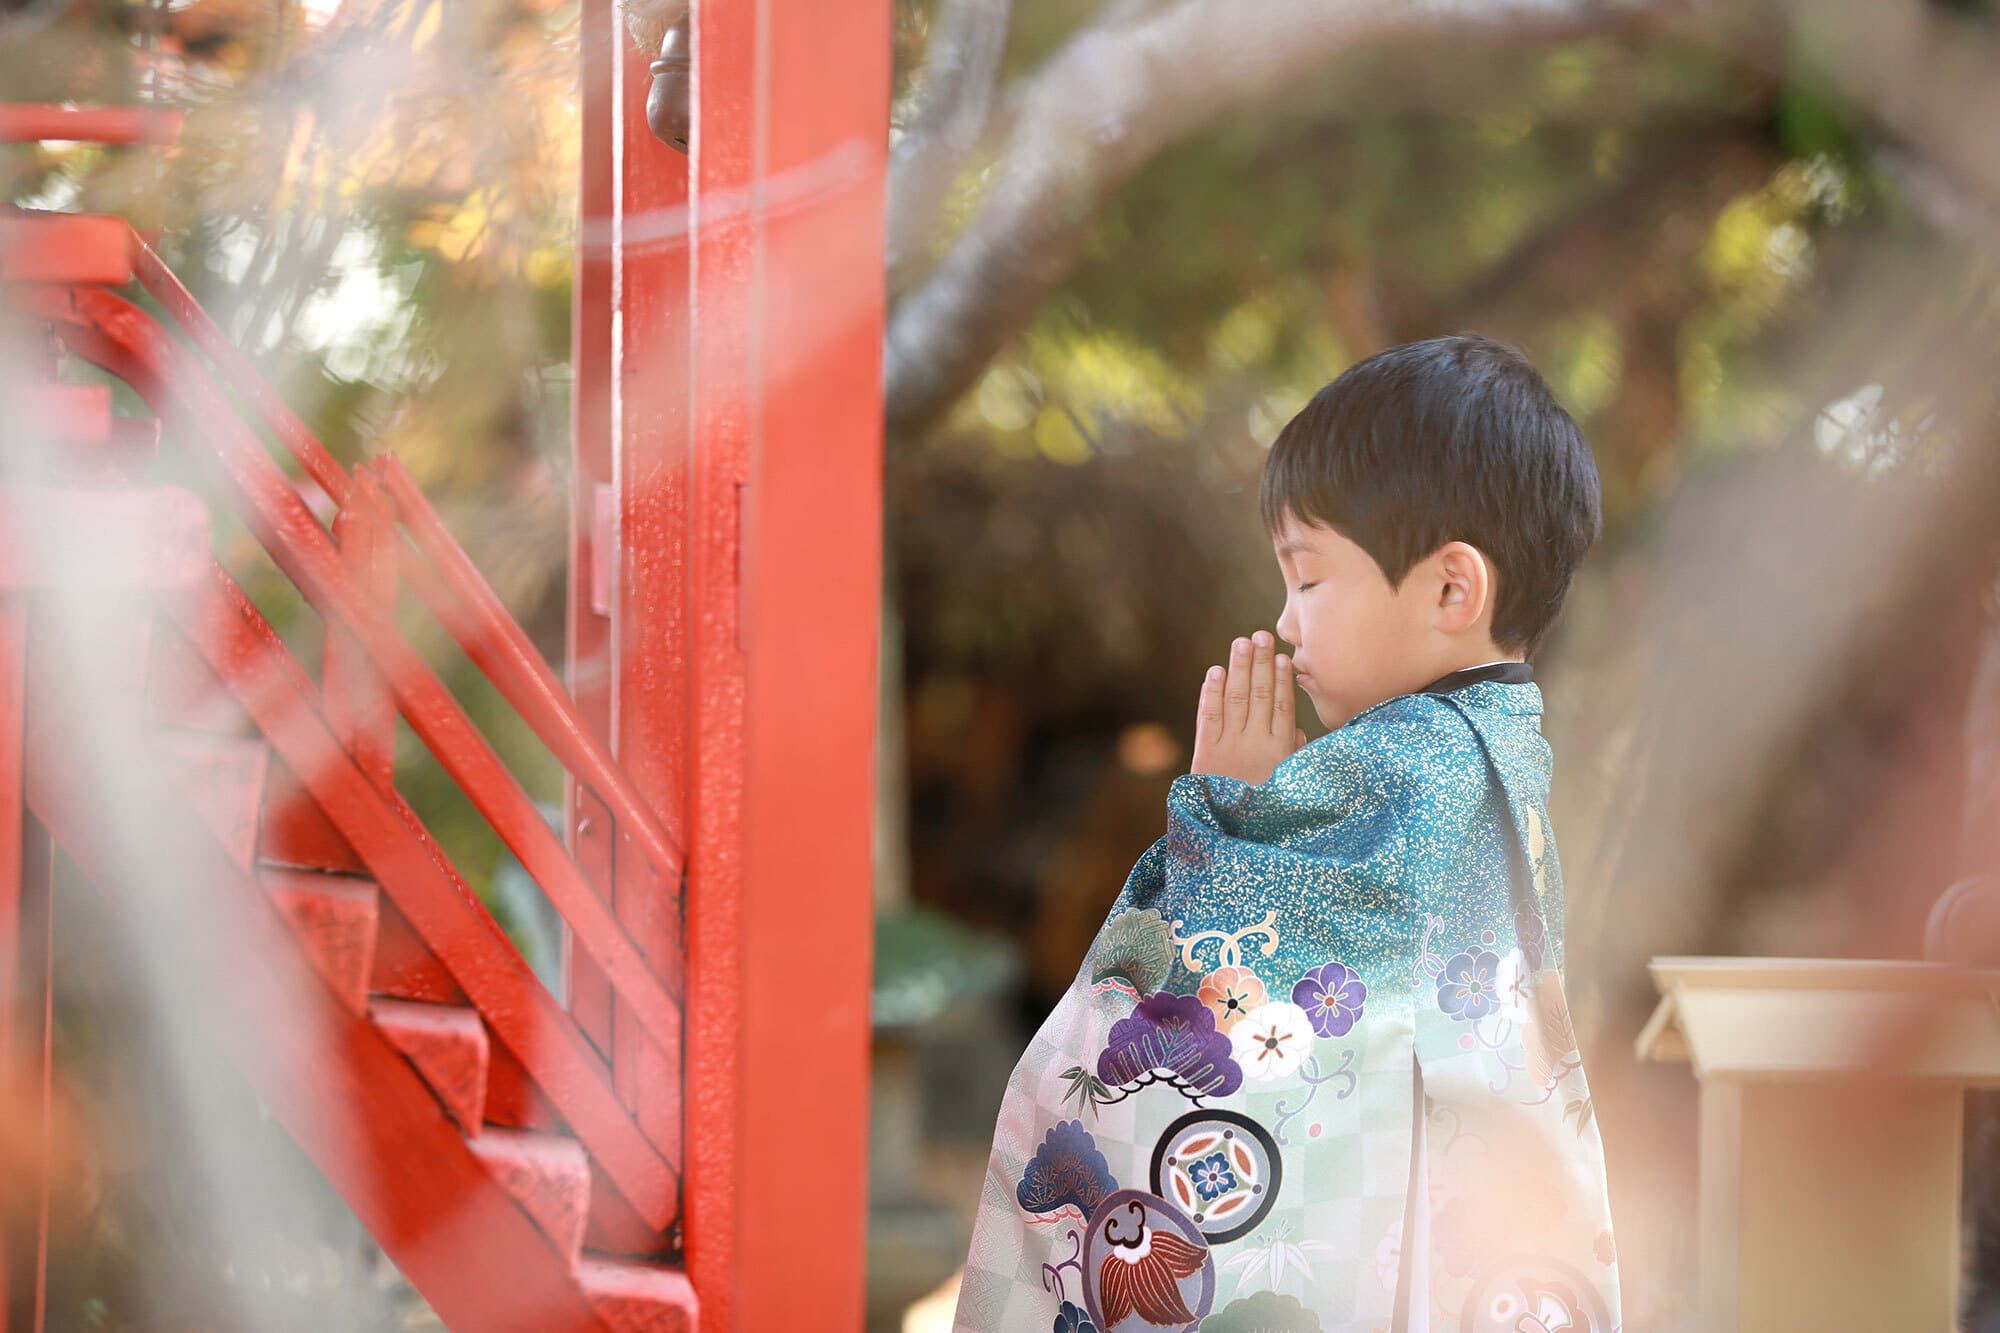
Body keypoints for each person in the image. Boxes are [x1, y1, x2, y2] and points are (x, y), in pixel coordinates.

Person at [950, 333, 1622, 1333]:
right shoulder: (1493, 751)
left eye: (1307, 580)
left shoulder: (1400, 763)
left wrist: (1225, 821)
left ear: (1452, 589)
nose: (1287, 621)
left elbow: (1233, 1003)